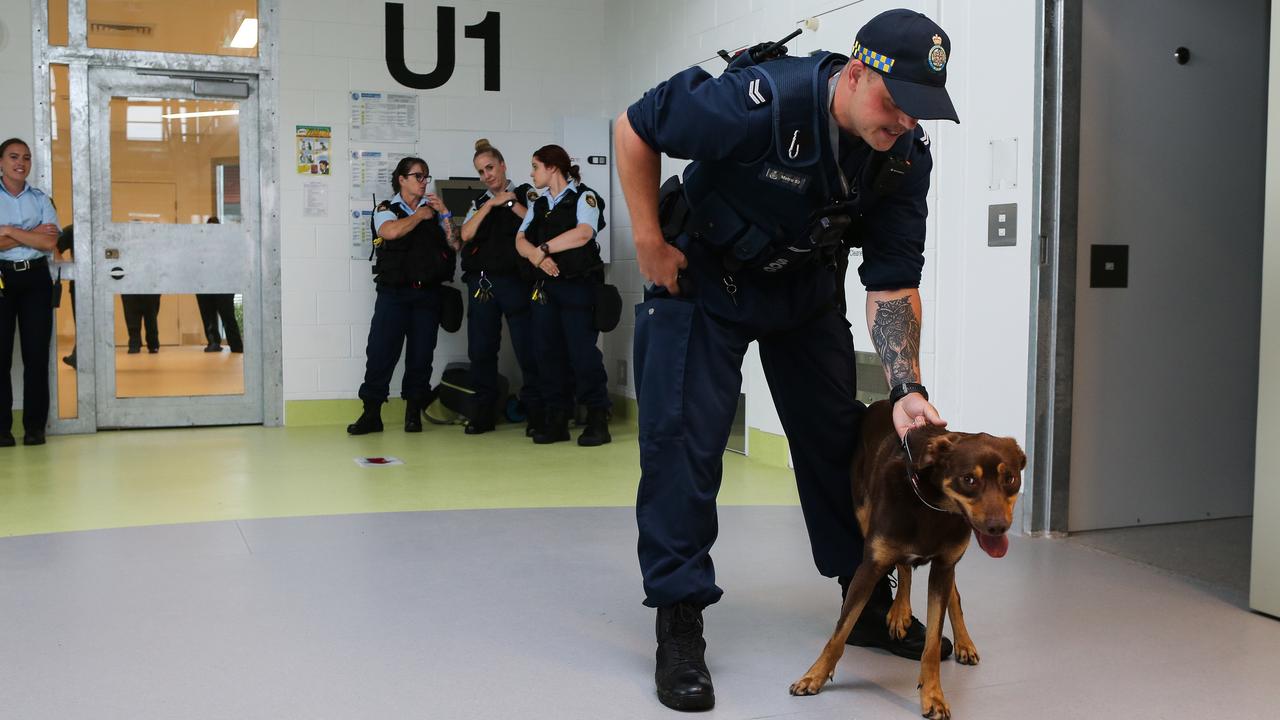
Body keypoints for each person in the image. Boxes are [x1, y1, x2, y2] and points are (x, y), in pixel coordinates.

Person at [614, 9, 960, 711]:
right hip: (702, 282)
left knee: (838, 442)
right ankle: (680, 619)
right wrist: (648, 240)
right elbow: (635, 127)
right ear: (856, 74)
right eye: (894, 102)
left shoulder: (903, 157)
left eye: (918, 110)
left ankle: (862, 602)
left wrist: (905, 385)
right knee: (684, 443)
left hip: (802, 291)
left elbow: (891, 283)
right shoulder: (762, 103)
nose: (901, 121)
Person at [347, 156, 457, 435]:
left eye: (426, 177)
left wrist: (444, 212)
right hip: (393, 295)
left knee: (421, 357)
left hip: (427, 297)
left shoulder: (435, 210)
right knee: (381, 353)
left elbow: (454, 243)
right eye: (418, 176)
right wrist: (419, 215)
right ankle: (371, 414)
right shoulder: (387, 209)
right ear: (402, 179)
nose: (423, 182)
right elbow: (390, 232)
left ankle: (413, 414)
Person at [514, 145, 610, 447]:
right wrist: (537, 258)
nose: (532, 173)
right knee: (547, 354)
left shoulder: (585, 197)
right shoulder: (539, 203)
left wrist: (543, 249)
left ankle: (597, 418)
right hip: (545, 290)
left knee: (582, 355)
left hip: (577, 287)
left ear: (553, 167)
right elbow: (520, 239)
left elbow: (583, 233)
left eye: (535, 166)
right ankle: (557, 419)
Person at [458, 139, 541, 435]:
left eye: (490, 168)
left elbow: (536, 223)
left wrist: (507, 201)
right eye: (481, 172)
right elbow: (466, 234)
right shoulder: (479, 202)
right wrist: (490, 204)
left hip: (515, 282)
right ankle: (483, 412)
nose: (487, 175)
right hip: (483, 284)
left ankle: (536, 412)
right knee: (481, 349)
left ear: (503, 165)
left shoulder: (526, 194)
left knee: (527, 347)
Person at [0, 138, 60, 446]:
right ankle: (1, 430)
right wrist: (30, 234)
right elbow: (39, 237)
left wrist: (8, 231)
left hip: (36, 280)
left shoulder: (40, 199)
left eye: (25, 157)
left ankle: (35, 428)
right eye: (13, 156)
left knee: (37, 356)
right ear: (1, 162)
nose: (20, 162)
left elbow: (50, 243)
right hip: (1, 279)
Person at [195, 217, 244, 354]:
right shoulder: (200, 244)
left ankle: (236, 345)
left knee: (228, 316)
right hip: (204, 285)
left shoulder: (226, 243)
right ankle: (214, 342)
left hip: (223, 285)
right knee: (208, 316)